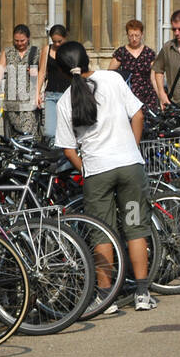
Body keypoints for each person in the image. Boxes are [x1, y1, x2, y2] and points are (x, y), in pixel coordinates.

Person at [53, 40, 155, 312]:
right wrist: (131, 147)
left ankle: (106, 298)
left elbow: (68, 148)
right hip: (130, 167)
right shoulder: (112, 78)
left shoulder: (64, 101)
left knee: (102, 234)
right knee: (135, 229)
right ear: (87, 59)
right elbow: (138, 114)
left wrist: (84, 168)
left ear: (62, 71)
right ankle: (143, 294)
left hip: (97, 172)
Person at [0, 24, 40, 136]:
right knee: (12, 137)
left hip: (29, 101)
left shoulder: (35, 52)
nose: (19, 43)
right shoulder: (8, 52)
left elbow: (43, 74)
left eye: (22, 40)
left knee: (28, 135)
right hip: (11, 101)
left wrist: (35, 74)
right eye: (16, 40)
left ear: (28, 38)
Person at [106, 19, 159, 112]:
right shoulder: (121, 52)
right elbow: (110, 75)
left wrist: (160, 96)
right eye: (131, 35)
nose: (134, 39)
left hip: (148, 96)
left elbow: (154, 78)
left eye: (137, 35)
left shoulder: (149, 53)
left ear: (142, 34)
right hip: (127, 96)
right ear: (127, 35)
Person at [33, 24, 70, 141]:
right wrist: (37, 94)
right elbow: (42, 72)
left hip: (67, 95)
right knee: (49, 131)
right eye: (54, 41)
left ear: (65, 37)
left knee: (66, 130)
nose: (57, 44)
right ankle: (53, 155)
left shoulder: (71, 49)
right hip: (51, 95)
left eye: (60, 41)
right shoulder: (47, 49)